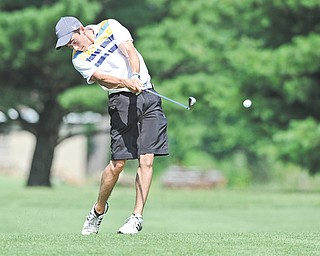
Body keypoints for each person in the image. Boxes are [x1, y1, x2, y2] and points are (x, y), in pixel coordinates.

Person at [55, 16, 169, 235]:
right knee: (118, 164)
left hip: (148, 94)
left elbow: (129, 50)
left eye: (72, 40)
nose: (72, 45)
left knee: (147, 158)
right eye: (68, 44)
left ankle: (136, 217)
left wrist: (135, 77)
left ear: (80, 29)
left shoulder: (110, 26)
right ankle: (98, 210)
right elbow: (101, 78)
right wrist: (126, 83)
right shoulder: (79, 59)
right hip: (121, 101)